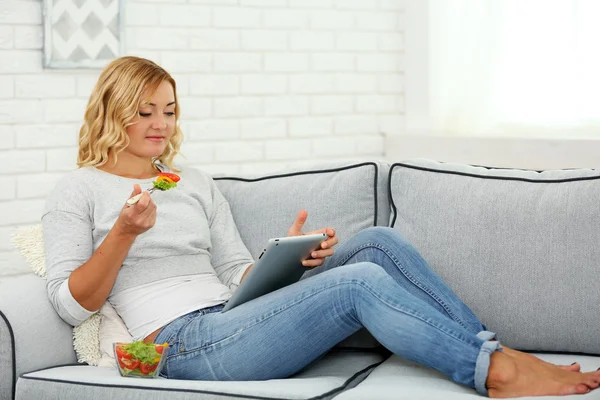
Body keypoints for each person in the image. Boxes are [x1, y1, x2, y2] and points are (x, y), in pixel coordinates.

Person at [42, 56, 600, 398]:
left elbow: (236, 273)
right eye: (144, 111)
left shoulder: (191, 181)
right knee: (356, 284)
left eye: (168, 110)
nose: (160, 124)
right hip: (174, 345)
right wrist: (122, 234)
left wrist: (286, 259)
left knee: (376, 246)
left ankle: (491, 349)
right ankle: (493, 370)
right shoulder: (80, 189)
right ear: (113, 112)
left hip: (227, 318)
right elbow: (72, 305)